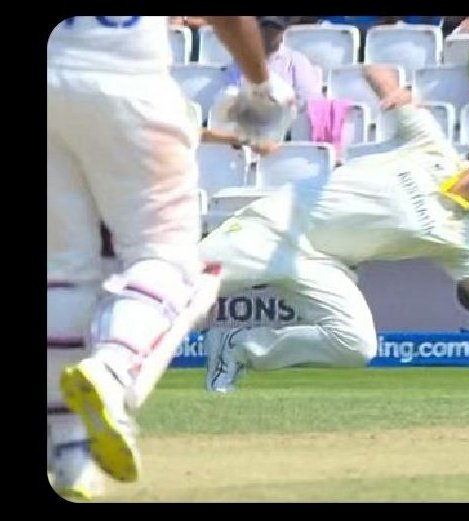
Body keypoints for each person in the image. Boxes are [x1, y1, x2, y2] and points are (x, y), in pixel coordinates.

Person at [198, 64, 469, 397]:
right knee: (176, 290)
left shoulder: (463, 238)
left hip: (324, 264)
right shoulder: (431, 146)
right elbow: (374, 68)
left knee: (356, 347)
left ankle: (237, 346)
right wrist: (392, 90)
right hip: (274, 226)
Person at [49, 16, 289, 500]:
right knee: (171, 261)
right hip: (128, 76)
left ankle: (70, 453)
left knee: (64, 273)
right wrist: (261, 84)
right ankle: (113, 369)